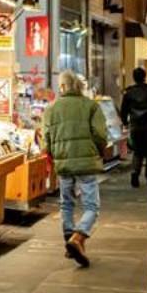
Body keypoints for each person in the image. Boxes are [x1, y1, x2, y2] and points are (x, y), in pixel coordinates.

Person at [43, 70, 109, 268]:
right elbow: (100, 135)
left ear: (62, 87)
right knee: (91, 206)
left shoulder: (51, 109)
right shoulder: (90, 106)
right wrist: (97, 150)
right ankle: (78, 237)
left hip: (63, 162)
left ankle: (70, 241)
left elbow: (46, 139)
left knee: (66, 204)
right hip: (86, 162)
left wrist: (53, 155)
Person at [118, 67, 147, 187]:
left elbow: (123, 111)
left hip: (136, 127)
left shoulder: (129, 93)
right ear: (144, 76)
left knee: (137, 152)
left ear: (134, 77)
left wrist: (126, 123)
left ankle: (134, 174)